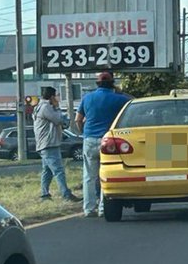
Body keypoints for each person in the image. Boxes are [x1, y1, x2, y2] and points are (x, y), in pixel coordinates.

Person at [76, 71, 130, 218]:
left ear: (97, 83)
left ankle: (88, 208)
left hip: (89, 139)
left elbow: (78, 119)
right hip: (108, 141)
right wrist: (120, 91)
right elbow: (134, 104)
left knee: (89, 175)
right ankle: (102, 208)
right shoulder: (119, 99)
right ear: (112, 83)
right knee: (104, 175)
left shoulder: (87, 98)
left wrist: (84, 133)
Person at [33, 86, 80, 204]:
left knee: (47, 170)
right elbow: (60, 120)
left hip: (45, 144)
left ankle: (44, 194)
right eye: (56, 95)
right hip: (49, 144)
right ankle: (66, 194)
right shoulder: (46, 107)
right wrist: (58, 108)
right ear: (52, 96)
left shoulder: (40, 106)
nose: (58, 98)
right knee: (58, 170)